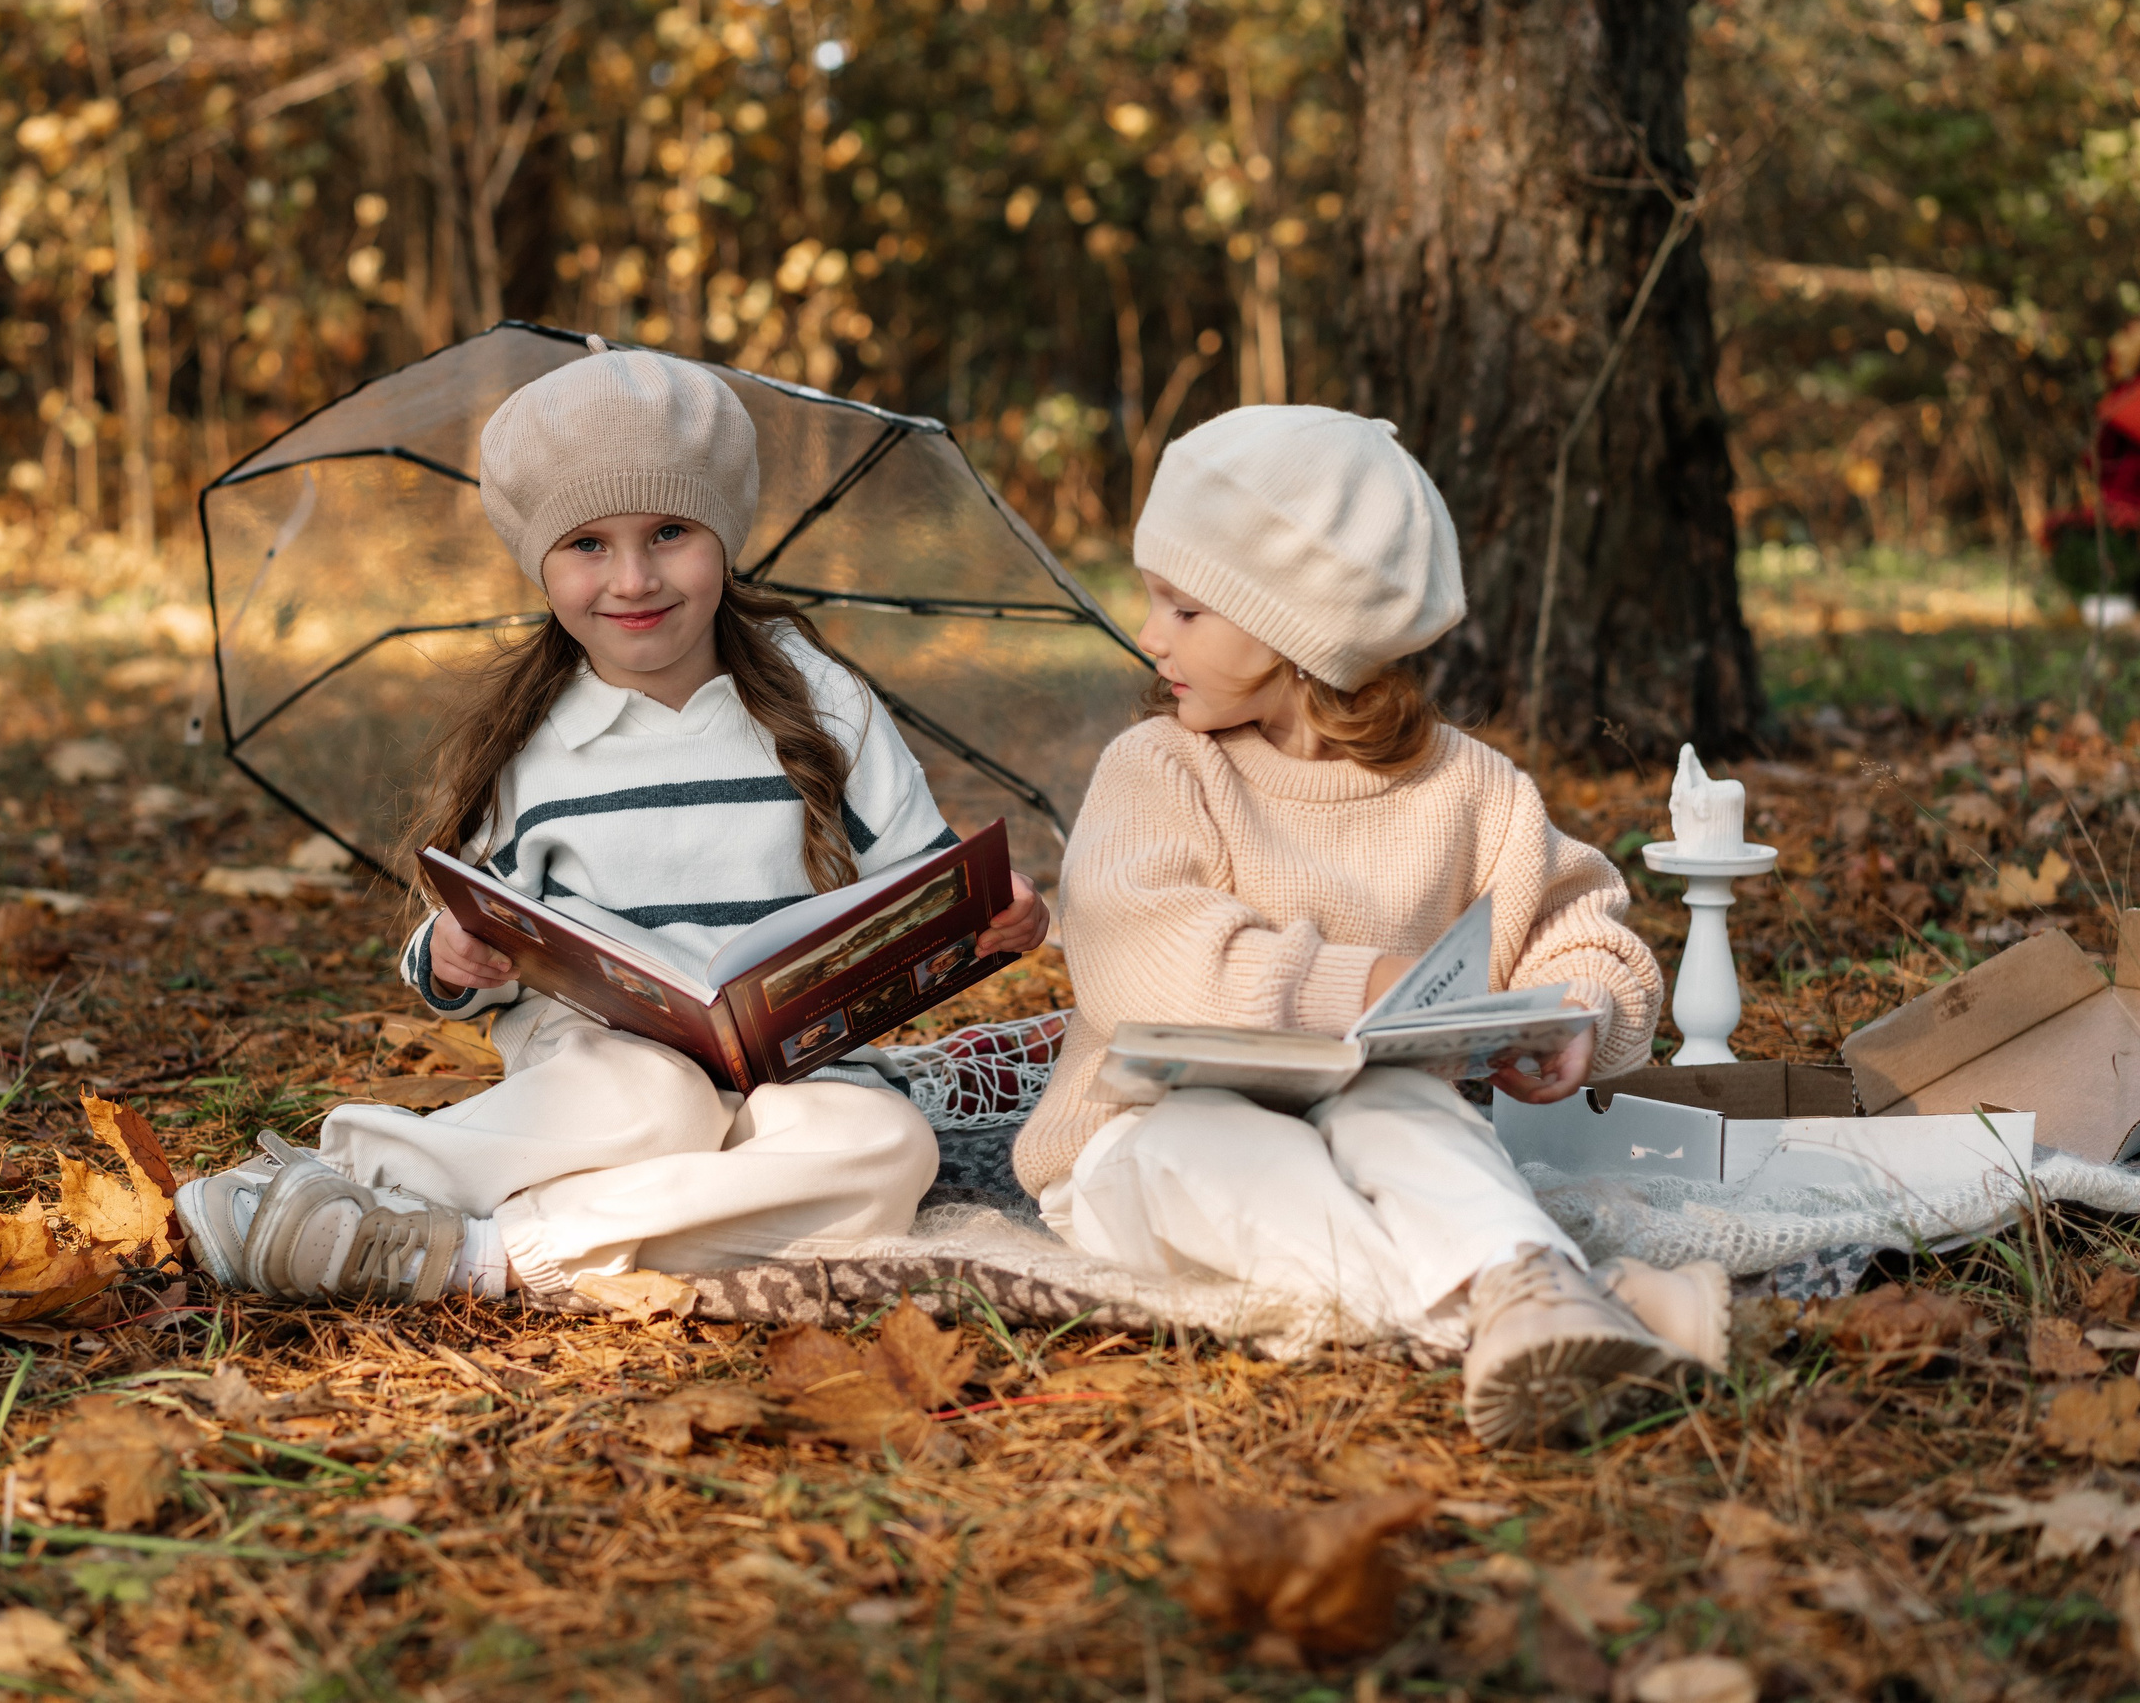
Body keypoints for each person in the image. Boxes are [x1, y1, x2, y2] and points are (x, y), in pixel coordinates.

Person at [175, 339, 1049, 1305]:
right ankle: (358, 1170)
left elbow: (926, 885)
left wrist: (995, 916)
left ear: (724, 535)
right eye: (587, 545)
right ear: (540, 563)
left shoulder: (822, 697)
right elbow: (461, 931)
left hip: (799, 1067)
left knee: (889, 1147)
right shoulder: (531, 740)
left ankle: (482, 1252)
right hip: (602, 1068)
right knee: (660, 1103)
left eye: (670, 531)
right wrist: (456, 956)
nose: (633, 579)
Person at [1015, 406, 1724, 1449]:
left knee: (1405, 1105)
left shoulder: (1469, 789)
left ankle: (1539, 1305)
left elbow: (1581, 924)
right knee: (1210, 1159)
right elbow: (1140, 958)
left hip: (1375, 1127)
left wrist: (1578, 1008)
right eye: (1152, 599)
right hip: (1143, 1134)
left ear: (1295, 627)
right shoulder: (1159, 768)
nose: (1149, 635)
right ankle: (1570, 1298)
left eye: (1185, 607)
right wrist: (1365, 983)